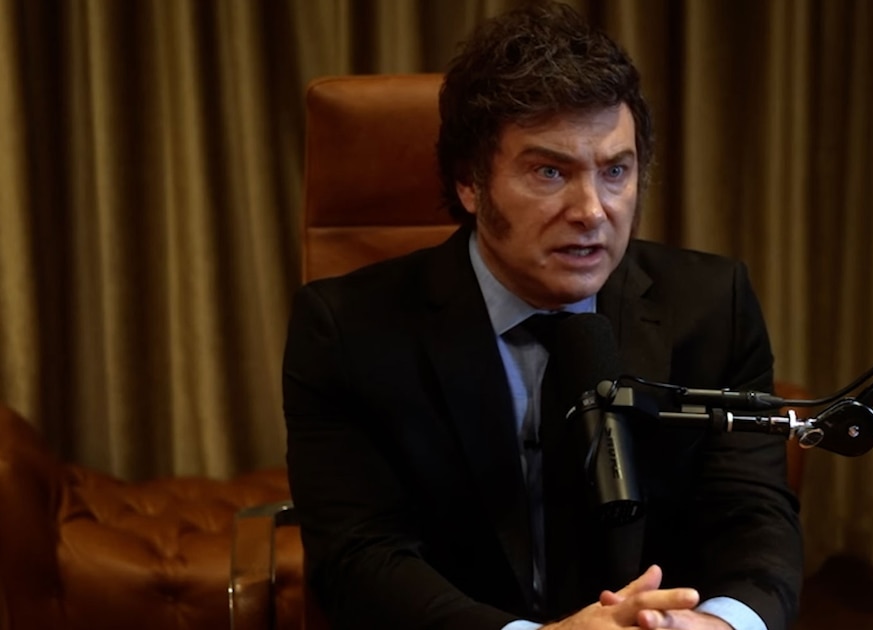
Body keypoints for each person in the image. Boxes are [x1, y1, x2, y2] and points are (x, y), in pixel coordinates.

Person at [282, 2, 803, 629]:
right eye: (550, 172)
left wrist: (719, 623)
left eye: (615, 171)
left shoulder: (712, 306)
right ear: (470, 183)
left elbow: (752, 513)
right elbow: (359, 556)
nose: (592, 211)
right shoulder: (346, 329)